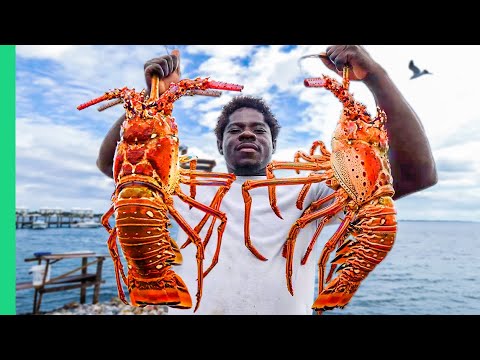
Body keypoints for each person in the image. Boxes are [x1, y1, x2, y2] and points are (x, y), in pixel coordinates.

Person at [96, 45, 438, 315]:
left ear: (274, 145)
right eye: (235, 129)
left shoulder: (314, 190)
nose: (247, 133)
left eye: (259, 129)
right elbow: (118, 169)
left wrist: (376, 76)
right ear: (220, 144)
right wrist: (148, 98)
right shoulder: (184, 186)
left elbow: (416, 176)